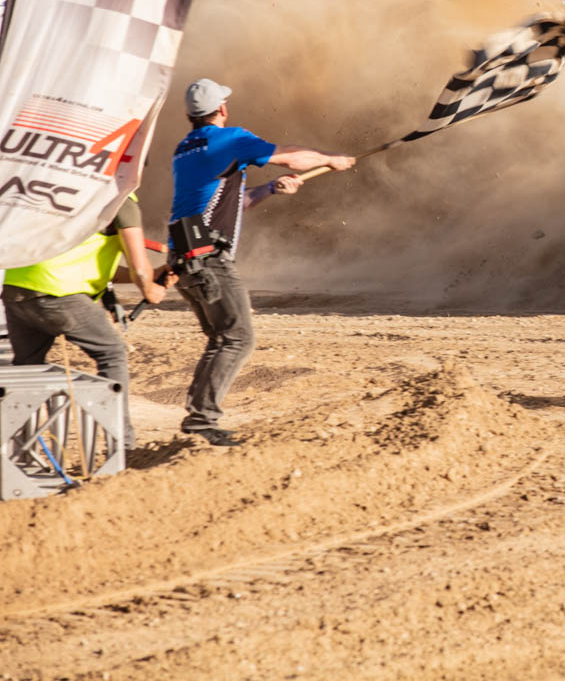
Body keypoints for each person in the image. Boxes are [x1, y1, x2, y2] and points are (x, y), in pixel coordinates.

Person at [169, 79, 355, 446]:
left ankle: (200, 417)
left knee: (223, 338)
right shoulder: (229, 139)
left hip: (187, 258)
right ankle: (201, 420)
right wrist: (330, 160)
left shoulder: (185, 149)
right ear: (221, 109)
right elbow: (289, 155)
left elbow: (230, 201)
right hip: (209, 260)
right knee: (238, 338)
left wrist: (271, 188)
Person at [3, 194, 169, 450]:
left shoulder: (72, 189)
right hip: (58, 291)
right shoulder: (121, 198)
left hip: (17, 285)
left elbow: (90, 260)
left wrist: (153, 275)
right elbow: (139, 267)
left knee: (28, 369)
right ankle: (123, 447)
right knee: (112, 353)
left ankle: (18, 451)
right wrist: (150, 288)